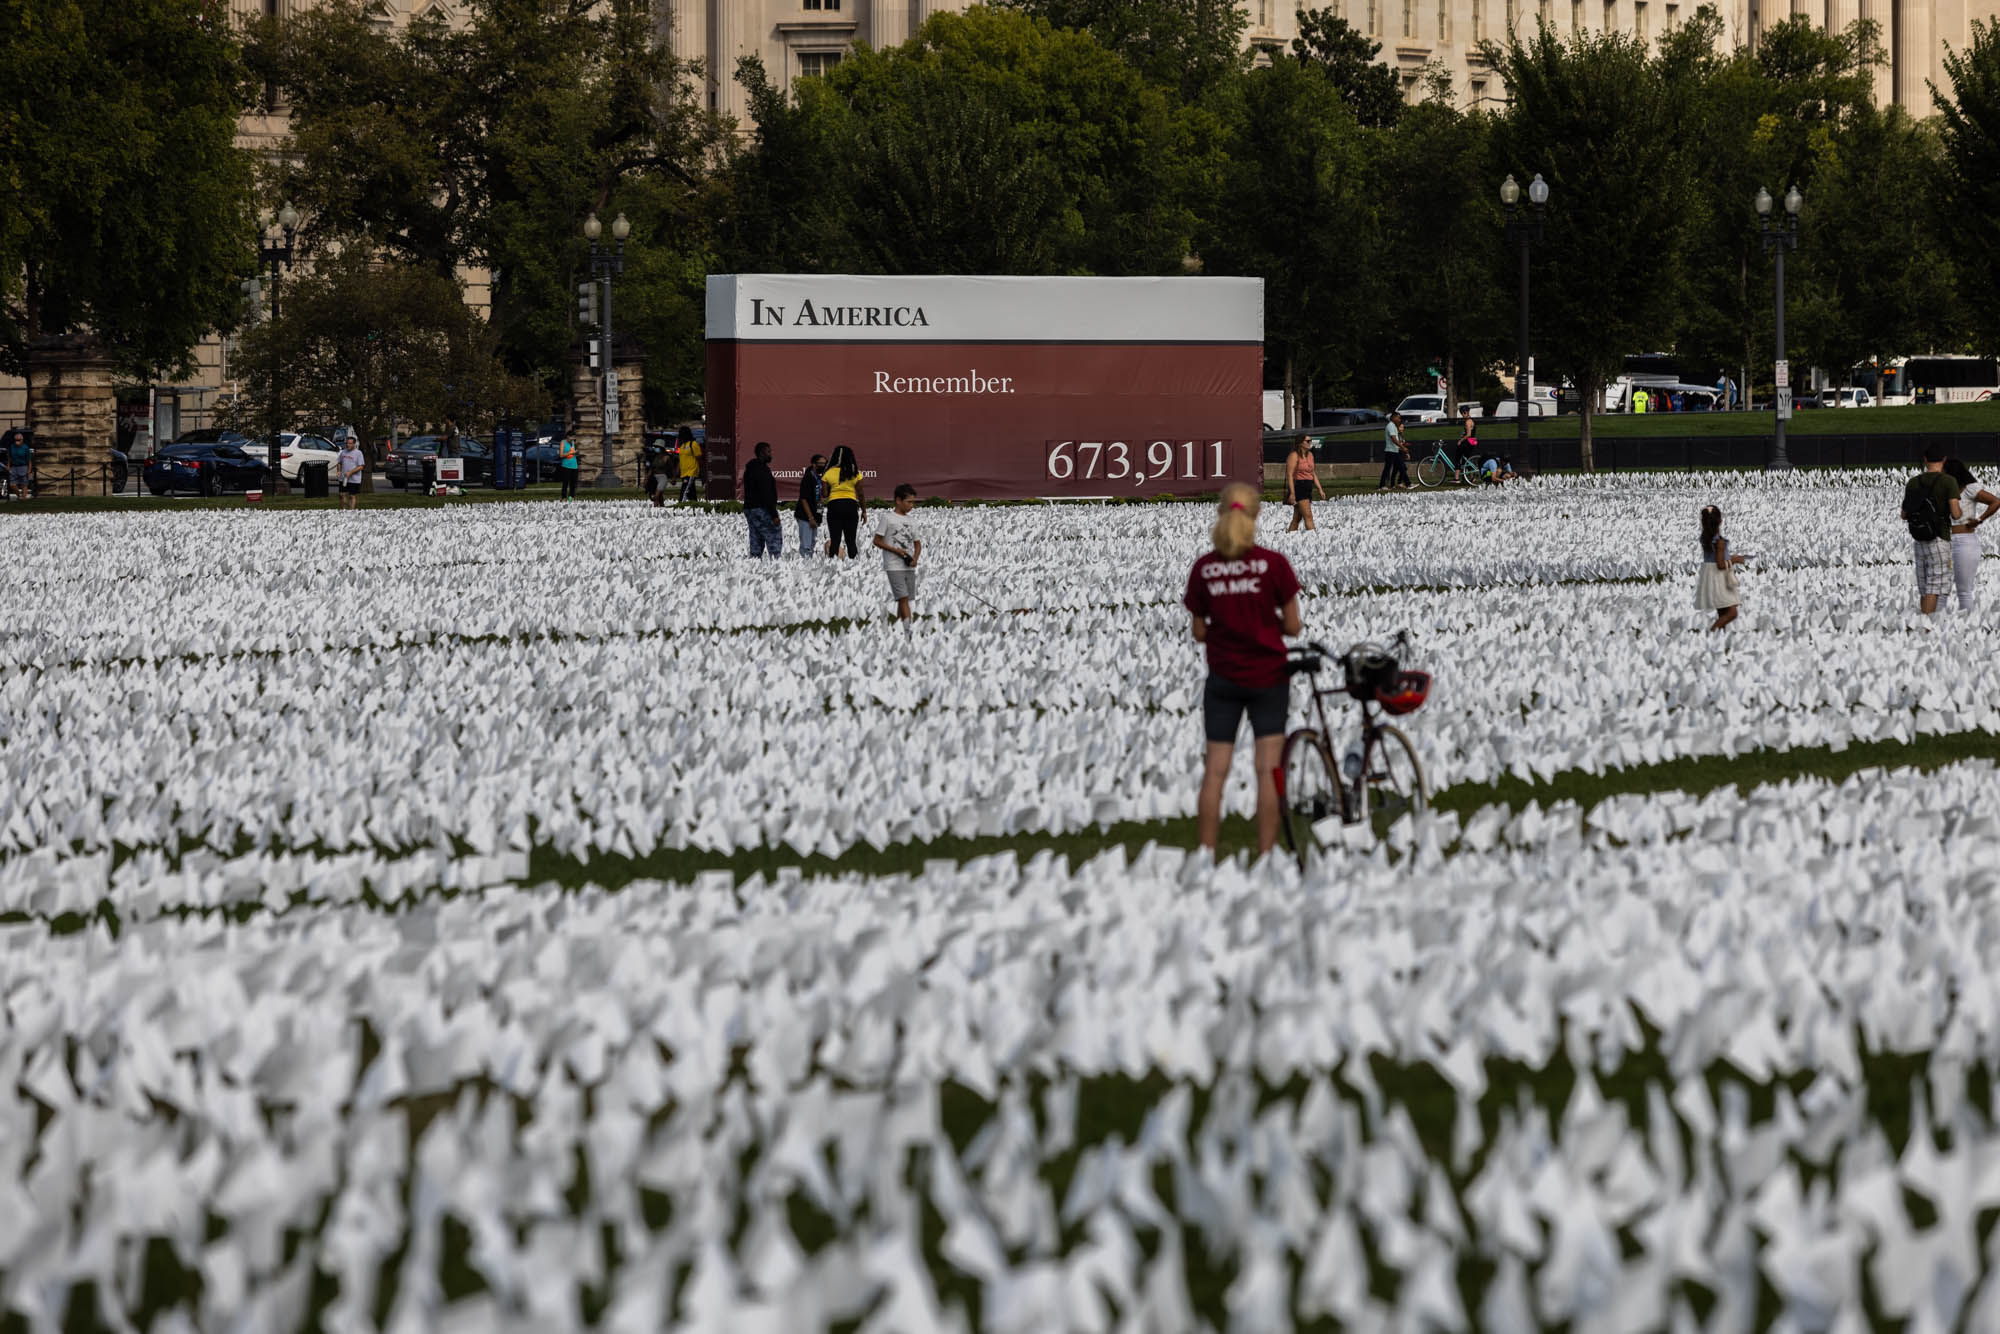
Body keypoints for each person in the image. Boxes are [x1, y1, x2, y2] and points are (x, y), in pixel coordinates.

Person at [1184, 481, 1303, 858]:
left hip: (1223, 679)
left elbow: (1199, 630)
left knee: (1215, 771)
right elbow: (1294, 627)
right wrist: (1267, 623)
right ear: (1257, 515)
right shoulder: (1273, 564)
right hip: (1269, 677)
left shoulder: (1205, 568)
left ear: (1221, 513)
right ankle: (1266, 854)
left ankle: (1206, 853)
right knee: (1267, 769)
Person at [1903, 444, 1963, 616]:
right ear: (1943, 460)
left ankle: (1923, 624)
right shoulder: (1948, 481)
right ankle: (1926, 629)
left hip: (1919, 537)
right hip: (1939, 537)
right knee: (1934, 585)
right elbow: (1955, 514)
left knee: (1924, 585)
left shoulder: (1913, 482)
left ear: (1925, 460)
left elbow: (1904, 514)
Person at [1943, 459, 1999, 612]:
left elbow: (1995, 501)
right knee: (1940, 588)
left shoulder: (1970, 489)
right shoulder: (1944, 490)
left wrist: (1979, 519)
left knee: (1964, 590)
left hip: (1964, 543)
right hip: (1944, 543)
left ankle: (1968, 626)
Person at [873, 483, 923, 622]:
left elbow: (917, 544)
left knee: (905, 599)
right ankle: (909, 629)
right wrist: (895, 550)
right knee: (903, 598)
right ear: (898, 500)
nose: (911, 505)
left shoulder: (912, 521)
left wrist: (915, 558)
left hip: (908, 564)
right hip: (893, 565)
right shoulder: (888, 518)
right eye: (909, 502)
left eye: (913, 502)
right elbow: (877, 541)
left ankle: (898, 628)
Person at [1696, 505, 1747, 630]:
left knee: (1722, 612)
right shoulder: (1719, 542)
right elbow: (1720, 564)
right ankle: (1712, 631)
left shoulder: (1705, 539)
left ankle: (1719, 638)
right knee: (1732, 613)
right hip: (1720, 579)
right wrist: (1735, 559)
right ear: (1720, 521)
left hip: (1709, 577)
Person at [822, 445, 867, 559]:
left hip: (834, 506)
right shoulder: (855, 472)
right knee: (851, 541)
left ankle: (833, 564)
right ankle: (854, 566)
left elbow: (824, 494)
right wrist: (864, 511)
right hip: (850, 506)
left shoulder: (828, 473)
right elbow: (860, 494)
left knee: (835, 540)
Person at [743, 441, 783, 558]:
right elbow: (766, 493)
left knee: (756, 536)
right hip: (762, 509)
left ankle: (755, 561)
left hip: (750, 508)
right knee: (773, 535)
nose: (771, 454)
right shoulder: (762, 470)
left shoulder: (749, 469)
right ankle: (775, 562)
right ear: (761, 453)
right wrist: (774, 514)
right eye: (768, 451)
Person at [1285, 437, 1324, 531]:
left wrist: (1320, 488)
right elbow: (1289, 475)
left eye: (1310, 441)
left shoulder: (1310, 455)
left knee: (1297, 518)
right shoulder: (1294, 456)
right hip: (1299, 486)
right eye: (1307, 441)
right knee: (1308, 516)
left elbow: (1312, 472)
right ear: (1300, 443)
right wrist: (1292, 493)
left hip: (1308, 485)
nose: (1310, 442)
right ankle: (1313, 538)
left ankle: (1289, 536)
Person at [795, 452, 825, 559]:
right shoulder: (808, 477)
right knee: (806, 544)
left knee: (812, 543)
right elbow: (804, 499)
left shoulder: (820, 478)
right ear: (814, 464)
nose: (823, 466)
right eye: (820, 463)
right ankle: (804, 564)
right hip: (805, 516)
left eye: (824, 463)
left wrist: (819, 516)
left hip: (814, 516)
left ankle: (810, 564)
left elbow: (820, 498)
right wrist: (810, 517)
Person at [1377, 413, 1410, 490]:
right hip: (1390, 450)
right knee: (1388, 469)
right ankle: (1382, 486)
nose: (1399, 419)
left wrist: (1403, 447)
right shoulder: (1391, 426)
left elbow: (1396, 439)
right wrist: (1402, 447)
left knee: (1401, 467)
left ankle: (1407, 483)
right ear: (1394, 418)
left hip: (1394, 450)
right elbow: (1393, 439)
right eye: (1398, 418)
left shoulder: (1393, 426)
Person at [337, 436, 366, 510]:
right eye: (347, 443)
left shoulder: (358, 453)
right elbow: (339, 463)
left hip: (354, 479)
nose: (348, 445)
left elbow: (361, 466)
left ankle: (351, 511)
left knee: (352, 496)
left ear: (354, 444)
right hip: (343, 478)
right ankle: (344, 510)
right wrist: (339, 471)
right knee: (341, 494)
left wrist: (350, 472)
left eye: (350, 443)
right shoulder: (343, 452)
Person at [675, 426, 702, 503]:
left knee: (684, 491)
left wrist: (700, 471)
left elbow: (699, 458)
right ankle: (695, 506)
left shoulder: (693, 444)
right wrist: (676, 472)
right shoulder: (682, 446)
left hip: (691, 472)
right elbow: (680, 460)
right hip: (684, 473)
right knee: (691, 493)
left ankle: (680, 506)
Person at [5, 428, 31, 500]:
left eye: (19, 440)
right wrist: (8, 466)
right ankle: (19, 495)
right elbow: (9, 458)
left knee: (24, 483)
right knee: (12, 484)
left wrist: (29, 469)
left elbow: (29, 460)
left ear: (22, 440)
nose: (17, 441)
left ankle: (23, 498)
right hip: (14, 467)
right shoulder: (12, 447)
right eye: (16, 440)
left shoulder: (25, 447)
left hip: (23, 466)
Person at [557, 432, 580, 500]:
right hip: (566, 465)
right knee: (565, 482)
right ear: (567, 436)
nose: (573, 438)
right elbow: (561, 455)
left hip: (574, 465)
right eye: (572, 437)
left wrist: (576, 453)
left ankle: (572, 496)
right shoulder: (563, 442)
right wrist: (571, 453)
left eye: (574, 437)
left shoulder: (573, 443)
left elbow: (574, 453)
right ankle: (564, 497)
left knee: (573, 483)